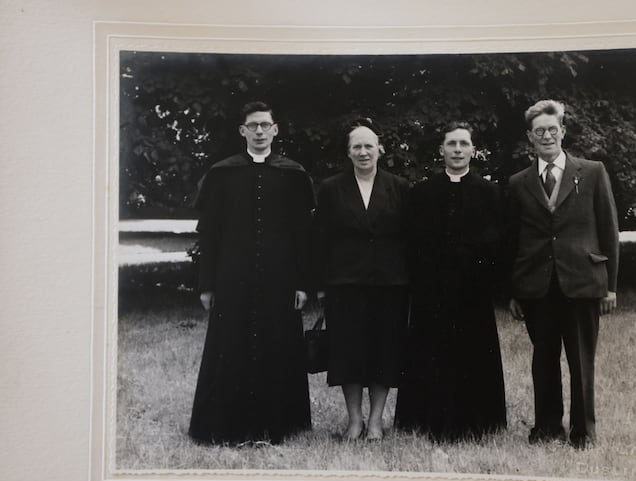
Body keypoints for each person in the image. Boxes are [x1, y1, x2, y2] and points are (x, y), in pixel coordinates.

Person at [188, 101, 315, 446]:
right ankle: (226, 423)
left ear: (275, 130)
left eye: (265, 125)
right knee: (231, 346)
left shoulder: (293, 174)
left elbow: (303, 234)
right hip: (232, 277)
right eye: (252, 125)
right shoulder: (222, 173)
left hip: (281, 278)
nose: (259, 131)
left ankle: (279, 424)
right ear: (242, 131)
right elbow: (210, 234)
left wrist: (304, 283)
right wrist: (207, 284)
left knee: (277, 345)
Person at [507, 99, 619, 449]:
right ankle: (546, 427)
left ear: (563, 132)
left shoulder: (592, 171)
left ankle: (583, 433)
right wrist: (514, 290)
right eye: (539, 131)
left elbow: (609, 229)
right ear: (530, 137)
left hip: (583, 281)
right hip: (537, 285)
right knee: (544, 360)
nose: (546, 136)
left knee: (581, 361)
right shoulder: (518, 182)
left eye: (552, 129)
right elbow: (513, 240)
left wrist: (610, 287)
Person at [394, 122, 507, 441]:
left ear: (472, 150)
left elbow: (498, 241)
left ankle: (477, 422)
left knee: (474, 356)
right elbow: (412, 242)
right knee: (430, 354)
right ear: (441, 150)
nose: (457, 149)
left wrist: (487, 279)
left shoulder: (489, 192)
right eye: (451, 144)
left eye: (463, 144)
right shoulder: (423, 192)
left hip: (473, 292)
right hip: (432, 291)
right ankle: (428, 420)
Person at [314, 118, 410, 442]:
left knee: (383, 351)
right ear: (349, 152)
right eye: (357, 146)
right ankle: (354, 420)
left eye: (369, 145)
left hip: (389, 283)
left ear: (380, 149)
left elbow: (409, 239)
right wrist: (321, 284)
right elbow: (321, 237)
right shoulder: (330, 188)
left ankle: (376, 421)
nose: (364, 151)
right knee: (348, 352)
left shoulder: (399, 187)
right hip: (345, 283)